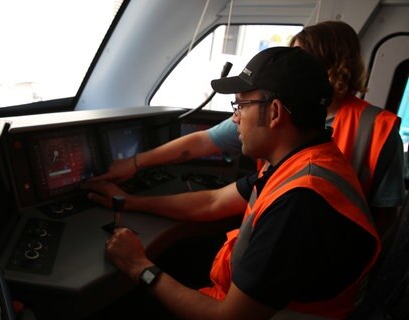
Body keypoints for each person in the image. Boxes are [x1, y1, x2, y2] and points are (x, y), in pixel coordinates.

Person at [85, 47, 381, 319]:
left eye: (241, 106)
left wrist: (139, 266)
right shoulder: (302, 161)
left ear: (275, 112)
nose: (236, 118)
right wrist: (128, 202)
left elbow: (228, 318)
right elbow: (212, 201)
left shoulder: (301, 201)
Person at [91, 20, 404, 239]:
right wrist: (134, 163)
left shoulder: (375, 130)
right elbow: (202, 144)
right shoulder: (275, 130)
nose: (239, 117)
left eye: (298, 57)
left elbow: (384, 217)